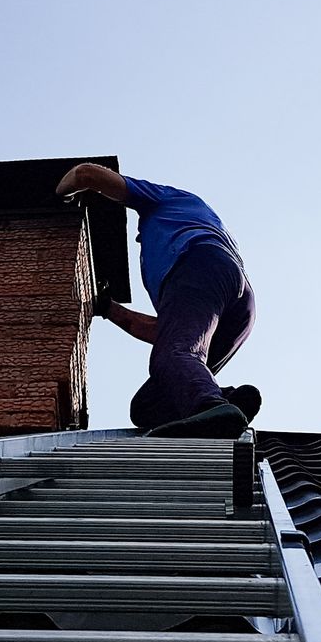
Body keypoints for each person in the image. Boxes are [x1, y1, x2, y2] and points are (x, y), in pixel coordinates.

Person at [55, 162, 261, 439]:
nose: (140, 238)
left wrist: (60, 197)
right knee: (148, 405)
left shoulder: (166, 199)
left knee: (175, 355)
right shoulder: (203, 221)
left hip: (198, 263)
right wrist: (110, 309)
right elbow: (165, 332)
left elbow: (85, 174)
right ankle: (229, 402)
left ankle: (211, 407)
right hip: (238, 300)